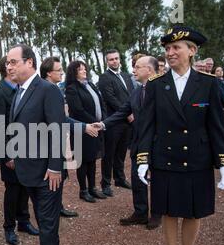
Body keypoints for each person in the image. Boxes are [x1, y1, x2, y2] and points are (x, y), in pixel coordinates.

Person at [137, 26, 224, 245]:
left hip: (198, 158)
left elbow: (216, 126)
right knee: (169, 210)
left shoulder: (209, 84)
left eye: (176, 48)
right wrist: (143, 159)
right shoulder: (157, 85)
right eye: (167, 49)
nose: (170, 53)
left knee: (193, 211)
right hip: (165, 158)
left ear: (192, 50)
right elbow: (146, 125)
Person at [6, 44, 65, 245]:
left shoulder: (47, 90)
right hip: (28, 170)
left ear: (29, 62)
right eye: (7, 63)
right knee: (44, 218)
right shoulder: (18, 91)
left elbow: (57, 130)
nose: (8, 66)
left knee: (47, 222)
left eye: (13, 62)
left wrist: (54, 167)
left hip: (46, 172)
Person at [102, 56, 162, 230]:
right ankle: (141, 212)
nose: (133, 70)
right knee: (137, 178)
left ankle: (157, 214)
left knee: (157, 178)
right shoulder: (136, 91)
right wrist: (104, 124)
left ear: (149, 70)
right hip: (138, 141)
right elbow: (122, 112)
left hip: (157, 142)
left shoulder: (162, 89)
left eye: (137, 67)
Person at [41, 56, 103, 214]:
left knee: (60, 173)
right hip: (49, 141)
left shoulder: (53, 88)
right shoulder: (48, 90)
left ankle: (57, 206)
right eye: (58, 70)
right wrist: (84, 126)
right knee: (53, 174)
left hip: (60, 137)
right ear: (48, 73)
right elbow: (60, 117)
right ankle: (53, 210)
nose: (62, 72)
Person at [0, 56, 39, 245]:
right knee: (12, 191)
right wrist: (7, 155)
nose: (14, 67)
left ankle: (23, 221)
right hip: (10, 152)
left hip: (25, 149)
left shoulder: (20, 90)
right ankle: (9, 227)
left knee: (24, 186)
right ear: (7, 70)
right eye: (11, 65)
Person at [65, 60, 107, 203]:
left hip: (94, 127)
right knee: (82, 161)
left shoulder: (91, 85)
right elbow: (77, 110)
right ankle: (83, 190)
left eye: (84, 68)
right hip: (81, 130)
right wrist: (93, 123)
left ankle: (93, 188)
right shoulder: (71, 88)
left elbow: (101, 103)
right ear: (74, 72)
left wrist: (102, 121)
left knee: (92, 159)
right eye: (80, 69)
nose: (84, 71)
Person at [98, 49, 134, 197]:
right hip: (113, 121)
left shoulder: (126, 76)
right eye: (111, 59)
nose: (114, 61)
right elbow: (110, 98)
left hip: (127, 122)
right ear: (107, 62)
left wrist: (133, 112)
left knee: (121, 152)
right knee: (109, 154)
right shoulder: (104, 77)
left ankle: (119, 178)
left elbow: (132, 96)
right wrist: (127, 113)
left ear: (120, 59)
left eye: (116, 58)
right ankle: (105, 183)